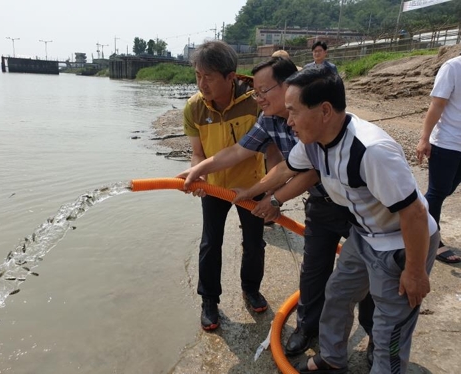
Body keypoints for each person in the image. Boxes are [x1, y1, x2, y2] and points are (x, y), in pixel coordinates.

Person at [234, 67, 439, 373]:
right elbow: (287, 170)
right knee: (338, 293)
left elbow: (415, 213)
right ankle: (332, 359)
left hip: (400, 242)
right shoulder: (314, 141)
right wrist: (250, 193)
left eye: (294, 112)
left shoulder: (371, 151)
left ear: (325, 110)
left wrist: (414, 270)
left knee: (389, 326)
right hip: (364, 234)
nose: (288, 121)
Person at [178, 56, 375, 364]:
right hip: (319, 205)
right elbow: (246, 152)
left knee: (368, 275)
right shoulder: (270, 118)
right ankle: (307, 330)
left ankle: (376, 336)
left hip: (354, 206)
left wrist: (272, 199)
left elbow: (308, 169)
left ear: (288, 87)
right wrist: (199, 169)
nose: (257, 99)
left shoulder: (314, 117)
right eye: (254, 92)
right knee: (313, 274)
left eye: (262, 91)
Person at [182, 40, 267, 331]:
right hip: (214, 187)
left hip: (252, 185)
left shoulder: (256, 101)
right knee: (210, 243)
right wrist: (198, 173)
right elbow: (198, 152)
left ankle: (251, 288)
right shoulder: (193, 108)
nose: (201, 83)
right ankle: (209, 300)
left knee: (254, 242)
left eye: (208, 76)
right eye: (197, 75)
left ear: (231, 77)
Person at [416, 53, 461, 264]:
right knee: (438, 191)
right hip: (447, 142)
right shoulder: (452, 67)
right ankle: (433, 241)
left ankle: (415, 215)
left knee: (447, 189)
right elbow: (437, 104)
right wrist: (424, 139)